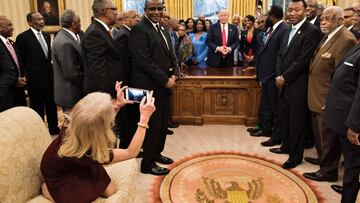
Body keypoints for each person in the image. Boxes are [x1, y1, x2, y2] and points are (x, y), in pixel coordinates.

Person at [40, 82, 156, 202]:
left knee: (110, 190)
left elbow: (97, 122)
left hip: (77, 163)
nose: (113, 104)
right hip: (61, 175)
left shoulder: (76, 122)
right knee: (83, 198)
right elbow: (131, 153)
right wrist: (144, 119)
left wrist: (118, 105)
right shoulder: (89, 154)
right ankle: (47, 189)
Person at [302, 6, 356, 182]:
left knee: (328, 138)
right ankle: (323, 161)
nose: (323, 21)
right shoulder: (328, 34)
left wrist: (330, 100)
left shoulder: (346, 39)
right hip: (316, 95)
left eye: (329, 18)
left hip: (327, 98)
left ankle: (328, 171)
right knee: (321, 136)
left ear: (340, 20)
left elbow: (341, 76)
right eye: (322, 18)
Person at [269, 0, 321, 169]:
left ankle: (295, 156)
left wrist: (285, 77)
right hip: (282, 83)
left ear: (305, 11)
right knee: (284, 118)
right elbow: (280, 55)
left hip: (297, 85)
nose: (291, 13)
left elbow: (303, 60)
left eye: (296, 10)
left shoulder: (311, 31)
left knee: (297, 122)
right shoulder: (286, 30)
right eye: (289, 10)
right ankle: (286, 146)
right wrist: (278, 75)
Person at [129, 0, 177, 176]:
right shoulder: (139, 29)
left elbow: (172, 55)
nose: (156, 12)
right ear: (145, 10)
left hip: (164, 85)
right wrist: (165, 79)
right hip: (149, 86)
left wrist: (175, 74)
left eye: (159, 8)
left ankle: (157, 153)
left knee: (163, 124)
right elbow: (143, 61)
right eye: (152, 9)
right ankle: (147, 164)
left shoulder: (163, 29)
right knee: (152, 126)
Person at [82, 0, 129, 141]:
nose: (117, 12)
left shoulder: (102, 30)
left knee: (109, 134)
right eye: (115, 9)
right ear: (106, 11)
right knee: (104, 135)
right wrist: (110, 98)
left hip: (108, 93)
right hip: (103, 96)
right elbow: (98, 71)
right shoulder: (95, 33)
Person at [322, 40, 360, 203]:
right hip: (341, 117)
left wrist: (355, 125)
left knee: (352, 169)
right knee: (350, 169)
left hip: (352, 124)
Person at [16, 12, 59, 135]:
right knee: (37, 107)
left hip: (49, 78)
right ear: (30, 22)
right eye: (38, 19)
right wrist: (25, 78)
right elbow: (21, 61)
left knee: (51, 105)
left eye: (42, 19)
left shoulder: (46, 35)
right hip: (34, 81)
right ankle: (39, 132)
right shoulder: (23, 37)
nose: (42, 21)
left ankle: (53, 128)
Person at [256, 5, 289, 147]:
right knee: (267, 105)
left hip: (274, 76)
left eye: (268, 15)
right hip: (267, 75)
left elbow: (281, 56)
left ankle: (277, 136)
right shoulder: (274, 29)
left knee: (276, 109)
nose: (266, 17)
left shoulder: (284, 29)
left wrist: (277, 75)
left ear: (273, 16)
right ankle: (266, 130)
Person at [52, 9, 84, 113]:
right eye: (79, 22)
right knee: (73, 126)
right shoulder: (66, 42)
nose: (81, 24)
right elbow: (71, 73)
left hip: (70, 92)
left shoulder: (64, 36)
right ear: (74, 24)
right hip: (71, 94)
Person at [0, 15, 26, 112]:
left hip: (18, 91)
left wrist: (22, 77)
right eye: (9, 25)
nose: (13, 27)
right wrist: (15, 80)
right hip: (4, 94)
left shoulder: (12, 43)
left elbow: (19, 63)